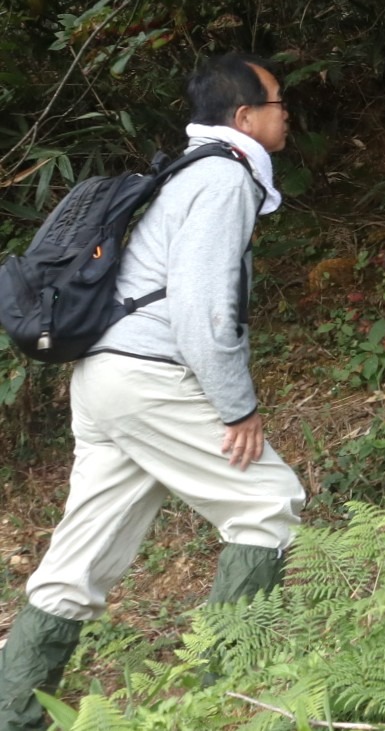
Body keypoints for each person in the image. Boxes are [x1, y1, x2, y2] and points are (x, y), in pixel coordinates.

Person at [1, 56, 304, 731]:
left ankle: (12, 714)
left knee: (78, 560)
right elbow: (202, 307)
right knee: (267, 505)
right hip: (146, 375)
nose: (287, 112)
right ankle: (230, 701)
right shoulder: (223, 177)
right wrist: (238, 405)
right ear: (243, 116)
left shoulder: (191, 172)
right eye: (279, 101)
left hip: (106, 378)